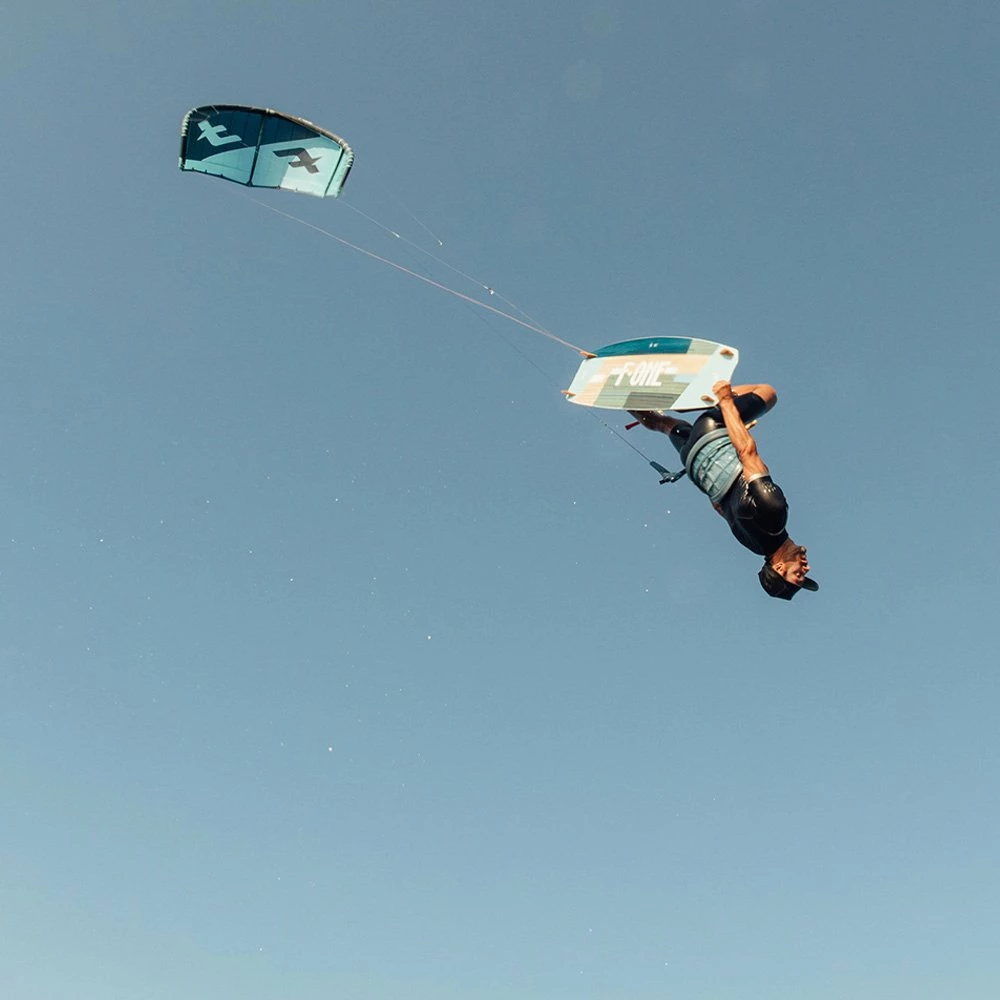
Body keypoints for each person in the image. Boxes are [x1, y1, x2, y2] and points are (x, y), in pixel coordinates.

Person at [629, 380, 818, 600]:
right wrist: (704, 468)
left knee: (768, 392)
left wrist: (727, 402)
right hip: (693, 462)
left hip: (711, 430)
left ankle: (701, 400)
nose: (806, 568)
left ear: (779, 568)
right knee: (663, 424)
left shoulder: (774, 514)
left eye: (798, 574)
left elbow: (747, 451)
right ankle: (626, 398)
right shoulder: (753, 544)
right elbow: (719, 506)